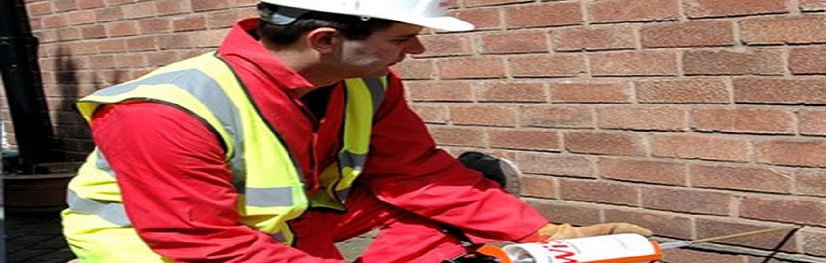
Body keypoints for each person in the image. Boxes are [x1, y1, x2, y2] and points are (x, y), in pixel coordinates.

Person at [61, 0, 653, 262]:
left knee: (457, 202)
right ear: (324, 40)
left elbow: (418, 175)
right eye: (401, 38)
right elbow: (201, 243)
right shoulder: (166, 111)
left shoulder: (365, 82)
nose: (415, 49)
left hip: (281, 231)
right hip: (160, 251)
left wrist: (539, 231)